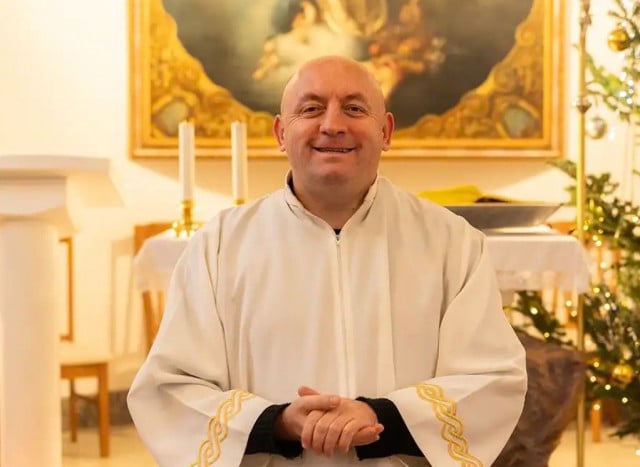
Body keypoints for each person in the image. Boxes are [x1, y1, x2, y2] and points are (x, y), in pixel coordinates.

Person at [128, 55, 527, 466]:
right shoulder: (219, 245)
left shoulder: (451, 242)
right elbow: (170, 388)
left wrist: (381, 416)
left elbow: (492, 378)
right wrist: (276, 423)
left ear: (386, 131)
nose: (332, 125)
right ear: (281, 133)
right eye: (311, 109)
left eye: (354, 108)